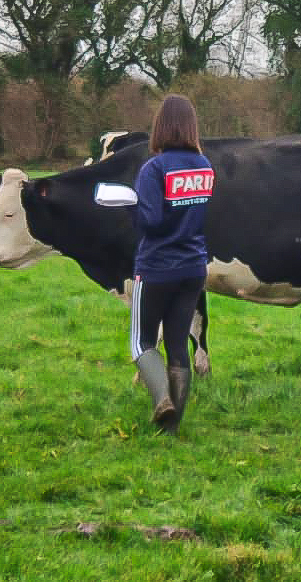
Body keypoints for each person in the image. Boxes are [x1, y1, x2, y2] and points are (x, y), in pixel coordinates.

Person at [130, 94, 213, 436]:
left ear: (160, 126)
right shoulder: (205, 166)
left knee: (142, 341)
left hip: (156, 267)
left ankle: (161, 398)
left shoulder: (154, 168)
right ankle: (172, 428)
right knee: (179, 344)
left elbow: (151, 222)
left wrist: (129, 208)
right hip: (194, 267)